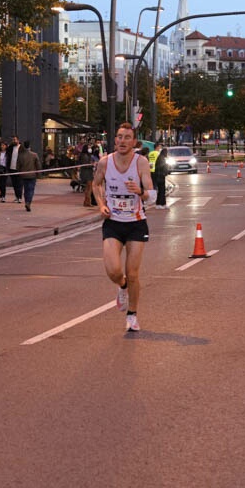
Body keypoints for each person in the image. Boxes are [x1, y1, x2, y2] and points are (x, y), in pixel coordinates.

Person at [92, 122, 154, 333]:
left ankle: (132, 315)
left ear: (134, 142)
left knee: (133, 273)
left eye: (127, 137)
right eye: (119, 137)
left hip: (136, 224)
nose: (122, 141)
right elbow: (96, 184)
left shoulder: (141, 162)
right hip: (113, 223)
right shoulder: (105, 162)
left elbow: (152, 196)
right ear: (115, 140)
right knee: (113, 271)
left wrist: (140, 191)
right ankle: (122, 286)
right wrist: (101, 204)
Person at [18, 141, 41, 212]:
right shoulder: (34, 155)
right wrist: (38, 174)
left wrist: (20, 172)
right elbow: (38, 165)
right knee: (31, 189)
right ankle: (28, 202)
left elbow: (18, 166)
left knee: (26, 189)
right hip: (32, 175)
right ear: (30, 146)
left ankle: (26, 201)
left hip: (24, 175)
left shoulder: (21, 155)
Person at [149, 142, 170, 209]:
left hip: (152, 172)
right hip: (159, 176)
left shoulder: (151, 153)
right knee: (161, 190)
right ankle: (159, 203)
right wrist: (166, 171)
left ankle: (162, 203)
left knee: (161, 190)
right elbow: (162, 167)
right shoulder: (159, 156)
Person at [78, 140, 96, 207]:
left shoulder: (88, 155)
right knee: (88, 187)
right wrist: (92, 165)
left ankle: (87, 201)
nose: (90, 148)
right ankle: (87, 202)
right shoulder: (84, 155)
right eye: (89, 147)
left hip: (88, 172)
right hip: (86, 173)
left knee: (88, 188)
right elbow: (86, 164)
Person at [7, 136, 24, 203]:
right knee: (14, 183)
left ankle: (20, 197)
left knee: (19, 183)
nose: (13, 141)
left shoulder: (21, 148)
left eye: (15, 140)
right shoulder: (11, 147)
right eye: (13, 140)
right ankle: (17, 197)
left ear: (18, 140)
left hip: (19, 169)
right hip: (12, 168)